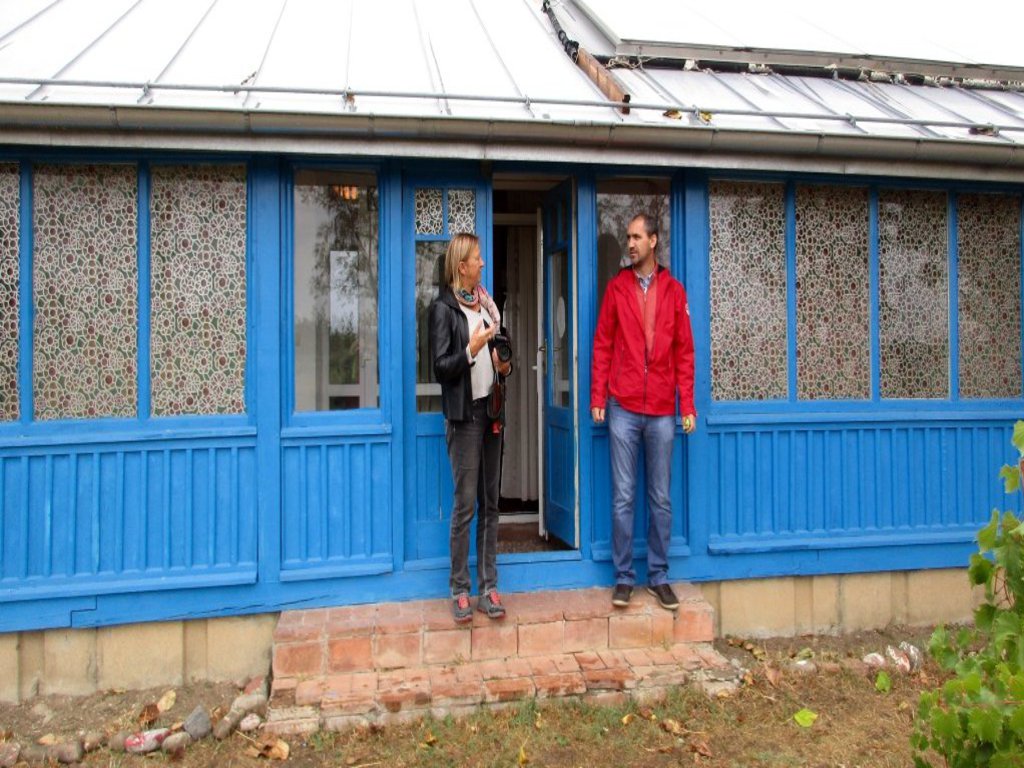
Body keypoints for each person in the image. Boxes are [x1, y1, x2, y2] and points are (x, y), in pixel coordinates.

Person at [590, 213, 696, 611]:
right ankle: (623, 578)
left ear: (654, 240)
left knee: (661, 499)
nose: (630, 243)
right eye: (627, 237)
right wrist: (598, 397)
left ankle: (659, 575)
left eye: (636, 237)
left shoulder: (674, 291)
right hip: (623, 407)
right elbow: (602, 345)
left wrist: (687, 403)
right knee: (622, 498)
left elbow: (684, 352)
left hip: (663, 412)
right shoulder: (617, 289)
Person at [429, 233, 513, 624]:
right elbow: (441, 368)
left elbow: (505, 354)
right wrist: (471, 350)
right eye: (477, 259)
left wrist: (504, 366)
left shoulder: (489, 308)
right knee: (465, 506)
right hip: (464, 418)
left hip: (491, 414)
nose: (483, 264)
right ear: (461, 266)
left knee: (490, 505)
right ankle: (460, 589)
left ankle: (488, 587)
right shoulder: (443, 309)